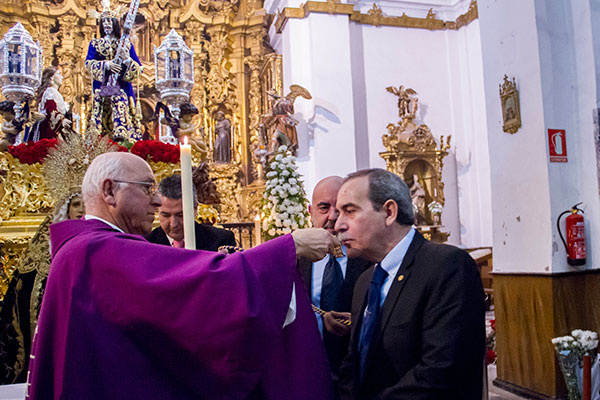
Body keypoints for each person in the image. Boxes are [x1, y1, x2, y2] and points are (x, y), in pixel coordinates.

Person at [26, 152, 338, 399]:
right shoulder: (96, 250)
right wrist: (288, 247)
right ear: (109, 191)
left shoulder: (83, 248)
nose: (157, 201)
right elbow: (199, 287)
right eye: (148, 188)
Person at [335, 168, 485, 399]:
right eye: (338, 213)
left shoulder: (447, 266)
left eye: (349, 211)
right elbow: (354, 363)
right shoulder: (365, 282)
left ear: (389, 212)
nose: (338, 225)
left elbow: (441, 370)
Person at [0, 192, 83, 384]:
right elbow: (24, 292)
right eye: (77, 204)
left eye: (86, 204)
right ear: (66, 208)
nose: (82, 210)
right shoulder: (43, 250)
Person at [298, 176, 370, 388]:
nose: (332, 217)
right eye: (324, 207)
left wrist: (357, 323)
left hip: (360, 376)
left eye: (340, 209)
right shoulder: (295, 260)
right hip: (308, 373)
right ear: (310, 212)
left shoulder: (369, 258)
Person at [85, 11, 142, 142]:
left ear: (115, 23)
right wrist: (106, 65)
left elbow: (138, 68)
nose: (106, 24)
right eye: (104, 22)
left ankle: (121, 132)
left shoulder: (125, 44)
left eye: (109, 21)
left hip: (121, 86)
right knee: (103, 100)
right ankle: (97, 134)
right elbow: (88, 64)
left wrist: (127, 59)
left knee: (118, 96)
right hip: (102, 87)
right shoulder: (95, 44)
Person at [146, 174, 236, 251]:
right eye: (166, 215)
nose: (173, 224)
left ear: (195, 208)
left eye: (181, 215)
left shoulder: (221, 240)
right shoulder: (147, 244)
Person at [26, 67, 71, 142]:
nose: (62, 77)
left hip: (52, 126)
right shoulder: (50, 91)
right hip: (48, 129)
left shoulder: (52, 92)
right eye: (59, 74)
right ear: (51, 78)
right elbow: (51, 110)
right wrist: (62, 120)